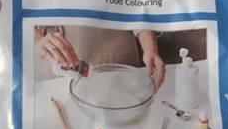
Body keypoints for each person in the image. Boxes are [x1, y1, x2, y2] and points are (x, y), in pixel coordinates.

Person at [35, 25, 166, 90]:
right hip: (62, 67)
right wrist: (40, 41)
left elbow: (139, 7)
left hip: (121, 65)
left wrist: (150, 49)